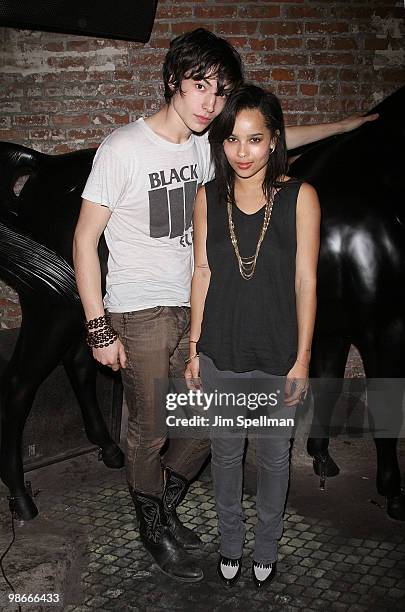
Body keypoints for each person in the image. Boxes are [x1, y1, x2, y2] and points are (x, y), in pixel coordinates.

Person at [73, 27, 377, 583]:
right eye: (198, 86)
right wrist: (98, 328)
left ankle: (163, 504)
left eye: (219, 91)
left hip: (200, 306)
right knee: (149, 429)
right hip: (140, 309)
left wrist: (344, 125)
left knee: (204, 427)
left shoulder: (209, 137)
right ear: (172, 82)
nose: (209, 103)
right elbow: (84, 238)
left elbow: (269, 137)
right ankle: (152, 523)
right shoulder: (123, 148)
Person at [185, 83, 320, 588]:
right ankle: (230, 544)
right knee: (223, 457)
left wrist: (303, 358)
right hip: (220, 351)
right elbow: (202, 272)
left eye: (255, 139)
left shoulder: (300, 197)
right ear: (221, 143)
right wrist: (196, 350)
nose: (243, 152)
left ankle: (265, 546)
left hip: (276, 355)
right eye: (232, 140)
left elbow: (306, 280)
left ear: (274, 140)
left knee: (273, 458)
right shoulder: (206, 197)